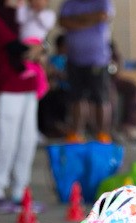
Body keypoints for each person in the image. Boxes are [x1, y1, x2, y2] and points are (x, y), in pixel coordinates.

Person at [0, 0, 44, 213]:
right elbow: (15, 46)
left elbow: (34, 40)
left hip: (27, 85)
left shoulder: (17, 17)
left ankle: (20, 192)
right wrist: (36, 48)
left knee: (27, 140)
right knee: (6, 139)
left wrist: (39, 47)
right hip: (6, 86)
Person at [58, 0, 114, 144]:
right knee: (76, 98)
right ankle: (76, 134)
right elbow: (63, 22)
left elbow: (102, 16)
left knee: (101, 98)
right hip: (74, 60)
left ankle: (102, 135)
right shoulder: (69, 3)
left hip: (97, 60)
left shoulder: (103, 2)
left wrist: (76, 20)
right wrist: (89, 20)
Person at [16, 0, 56, 99]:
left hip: (38, 44)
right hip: (23, 44)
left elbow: (47, 24)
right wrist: (21, 5)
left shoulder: (48, 14)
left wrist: (38, 11)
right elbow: (19, 19)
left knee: (39, 68)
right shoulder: (26, 11)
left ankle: (40, 88)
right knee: (26, 67)